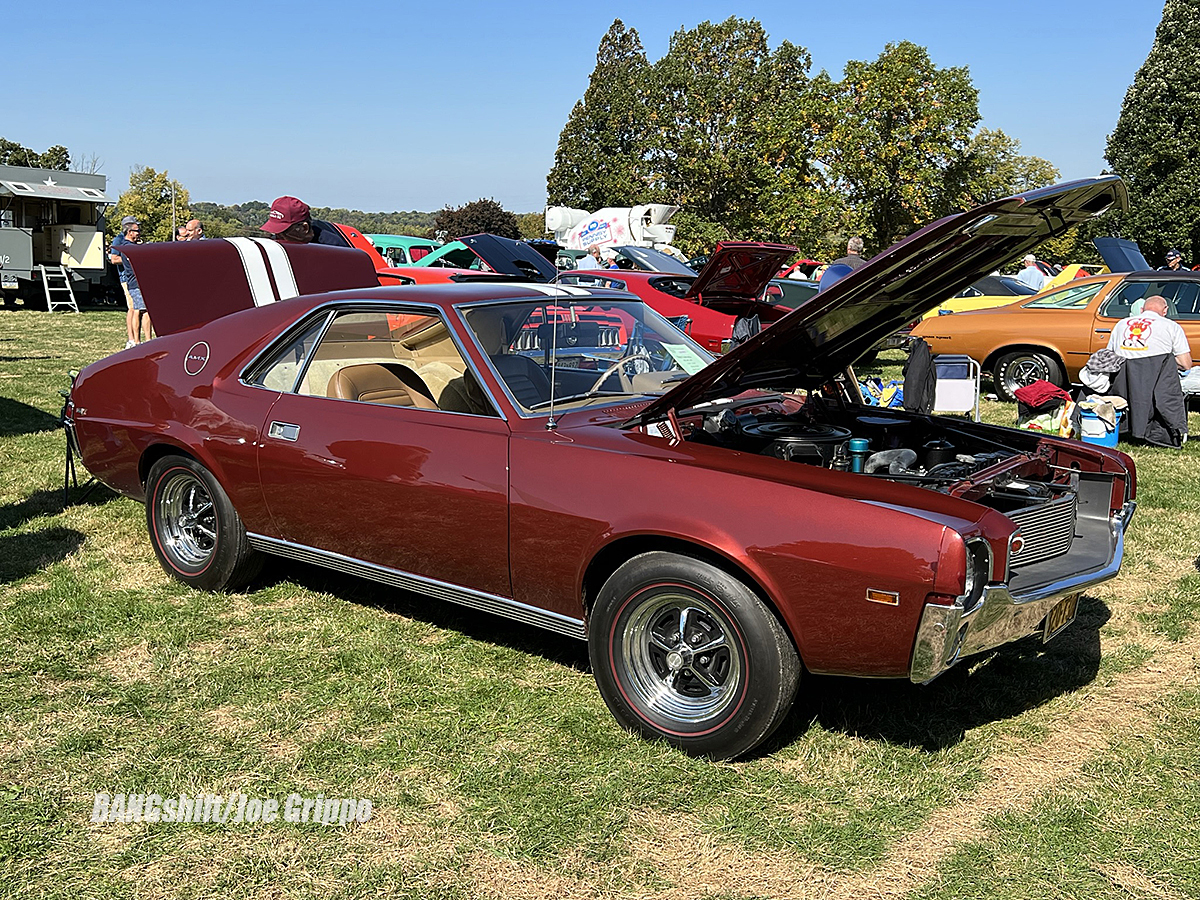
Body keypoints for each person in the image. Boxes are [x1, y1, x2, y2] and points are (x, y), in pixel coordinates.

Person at [1107, 295, 1193, 371]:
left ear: (1141, 310)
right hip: (1156, 382)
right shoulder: (1171, 326)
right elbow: (1185, 364)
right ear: (1165, 310)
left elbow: (1110, 355)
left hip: (1124, 382)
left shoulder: (1121, 324)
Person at [109, 217, 153, 347]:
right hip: (133, 281)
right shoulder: (125, 245)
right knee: (139, 310)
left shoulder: (131, 246)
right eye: (137, 230)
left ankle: (137, 341)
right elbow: (114, 259)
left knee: (137, 310)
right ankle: (139, 341)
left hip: (132, 281)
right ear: (129, 231)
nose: (139, 232)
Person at [259, 196, 350, 246]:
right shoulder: (275, 243)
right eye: (275, 233)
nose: (277, 238)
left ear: (304, 228)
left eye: (283, 232)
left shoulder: (333, 246)